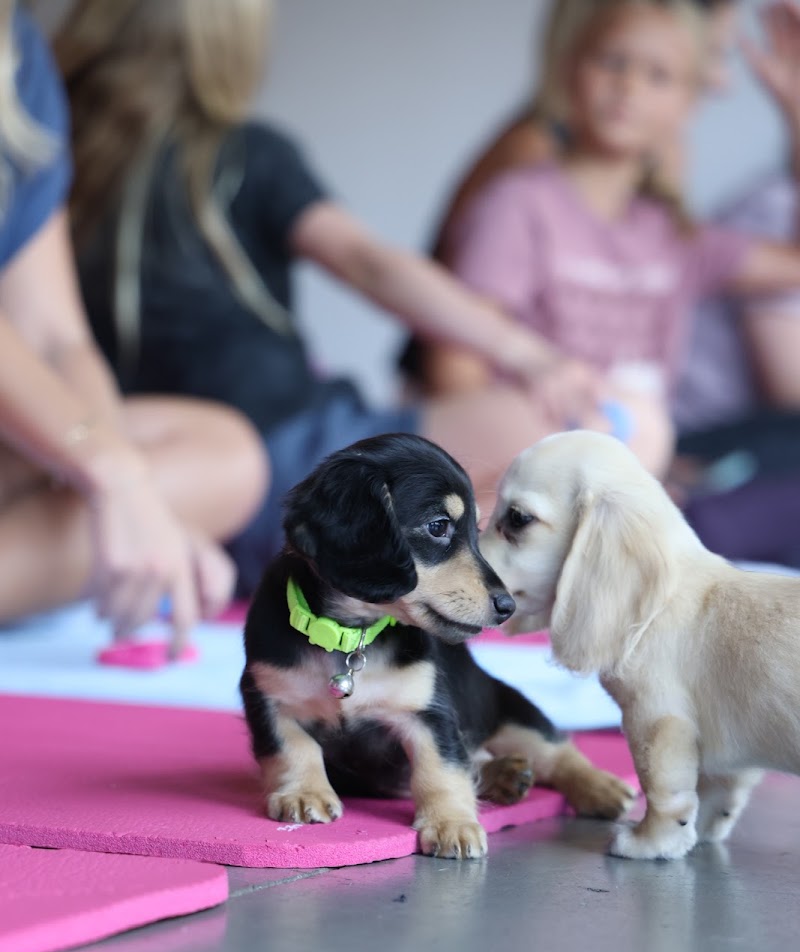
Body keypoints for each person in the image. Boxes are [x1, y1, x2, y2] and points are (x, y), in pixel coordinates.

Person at [56, 0, 675, 597]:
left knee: (620, 422)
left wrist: (530, 357)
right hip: (238, 462)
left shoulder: (134, 162)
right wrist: (527, 353)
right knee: (616, 429)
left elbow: (369, 264)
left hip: (294, 445)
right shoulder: (208, 157)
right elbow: (367, 263)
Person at [416, 0, 800, 537]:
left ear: (689, 101)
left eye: (658, 75)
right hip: (533, 476)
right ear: (567, 68)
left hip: (634, 465)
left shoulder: (673, 235)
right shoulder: (519, 205)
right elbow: (454, 368)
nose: (628, 87)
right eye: (611, 62)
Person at [0, 2, 268, 650]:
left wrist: (136, 504)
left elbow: (56, 339)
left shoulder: (21, 54)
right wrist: (113, 472)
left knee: (227, 456)